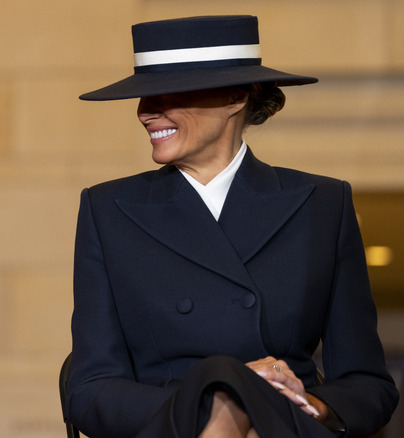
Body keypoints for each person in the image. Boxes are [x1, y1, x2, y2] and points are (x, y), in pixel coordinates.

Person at [66, 15, 399, 438]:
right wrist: (218, 398)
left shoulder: (323, 204)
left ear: (235, 99)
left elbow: (370, 387)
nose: (145, 113)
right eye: (142, 97)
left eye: (166, 94)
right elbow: (90, 392)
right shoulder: (107, 209)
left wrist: (302, 401)